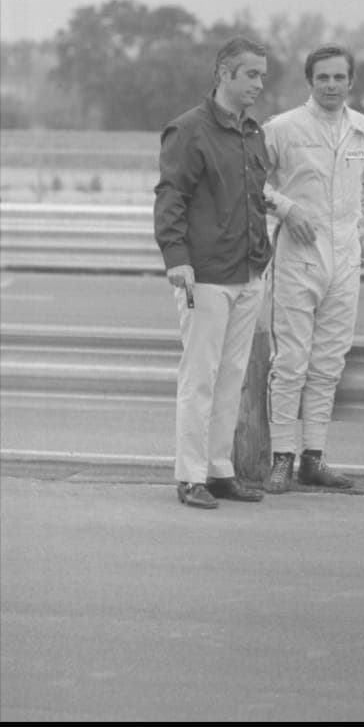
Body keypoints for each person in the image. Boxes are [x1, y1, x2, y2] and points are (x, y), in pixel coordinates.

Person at [153, 37, 275, 510]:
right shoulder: (188, 130)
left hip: (248, 272)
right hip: (203, 273)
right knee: (200, 376)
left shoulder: (253, 132)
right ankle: (189, 476)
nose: (259, 84)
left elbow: (256, 198)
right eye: (251, 75)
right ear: (224, 72)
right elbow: (171, 198)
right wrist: (175, 257)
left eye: (262, 75)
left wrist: (261, 260)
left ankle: (220, 469)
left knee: (233, 376)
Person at [261, 44, 364, 493]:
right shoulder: (283, 128)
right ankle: (281, 457)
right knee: (291, 360)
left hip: (345, 256)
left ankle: (313, 457)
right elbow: (249, 179)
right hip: (298, 256)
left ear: (351, 81)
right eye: (323, 78)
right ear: (309, 81)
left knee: (330, 361)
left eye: (339, 78)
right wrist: (286, 208)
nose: (331, 86)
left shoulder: (363, 129)